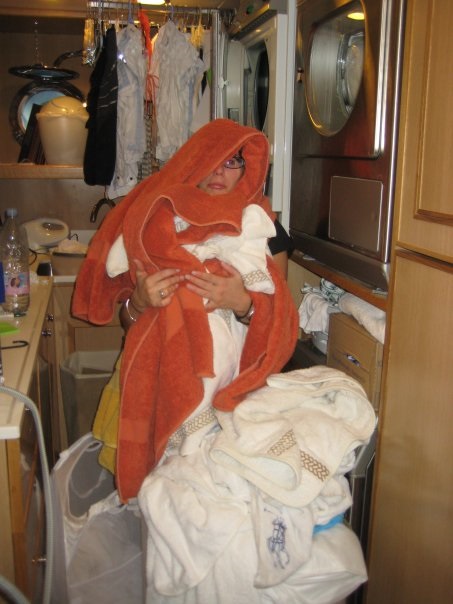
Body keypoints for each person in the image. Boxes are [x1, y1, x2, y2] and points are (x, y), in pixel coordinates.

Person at [72, 118, 299, 503]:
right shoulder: (158, 218)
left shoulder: (264, 229)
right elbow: (128, 322)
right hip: (159, 376)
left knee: (212, 499)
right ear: (194, 161)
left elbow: (278, 322)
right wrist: (139, 301)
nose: (218, 173)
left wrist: (241, 301)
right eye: (212, 160)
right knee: (158, 496)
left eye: (233, 163)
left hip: (231, 386)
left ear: (249, 170)